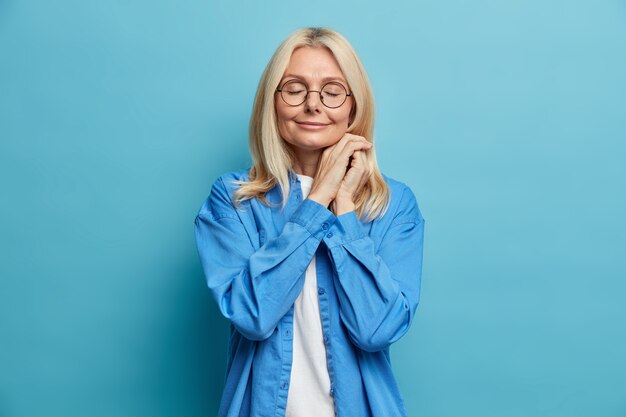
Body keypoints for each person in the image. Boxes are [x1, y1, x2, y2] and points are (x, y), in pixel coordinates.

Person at [194, 27, 425, 417]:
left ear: (354, 105)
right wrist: (318, 201)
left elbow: (377, 330)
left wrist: (345, 208)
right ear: (273, 103)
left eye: (333, 90)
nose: (313, 105)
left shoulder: (394, 204)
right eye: (295, 88)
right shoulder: (234, 200)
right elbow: (253, 316)